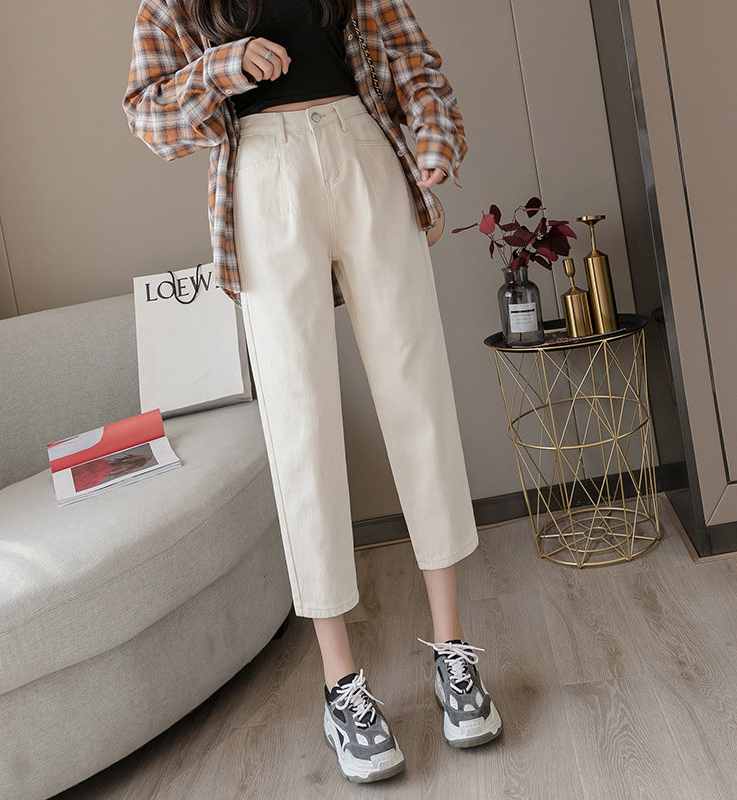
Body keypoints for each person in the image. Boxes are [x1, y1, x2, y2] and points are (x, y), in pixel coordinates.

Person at [123, 0, 502, 782]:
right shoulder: (172, 3)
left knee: (419, 397)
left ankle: (453, 653)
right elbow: (150, 119)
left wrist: (433, 138)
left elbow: (414, 63)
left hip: (363, 151)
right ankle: (341, 685)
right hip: (264, 173)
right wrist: (225, 66)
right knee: (300, 424)